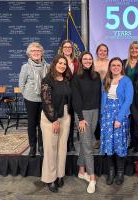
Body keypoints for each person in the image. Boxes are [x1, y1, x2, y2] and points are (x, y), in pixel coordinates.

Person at [40, 55, 73, 193]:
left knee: (62, 148)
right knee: (50, 149)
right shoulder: (47, 80)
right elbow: (46, 101)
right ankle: (50, 179)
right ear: (54, 64)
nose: (62, 65)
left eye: (64, 64)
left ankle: (60, 175)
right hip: (51, 117)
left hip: (65, 116)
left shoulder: (66, 80)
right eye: (60, 63)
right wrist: (54, 120)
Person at [100, 57, 133, 186]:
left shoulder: (126, 81)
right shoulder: (106, 80)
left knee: (119, 145)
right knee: (109, 145)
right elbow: (103, 99)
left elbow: (128, 101)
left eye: (118, 65)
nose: (115, 67)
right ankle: (111, 172)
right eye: (113, 65)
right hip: (107, 116)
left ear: (121, 67)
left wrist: (119, 119)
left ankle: (120, 172)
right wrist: (102, 116)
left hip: (120, 115)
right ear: (110, 67)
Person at [72, 51, 101, 194]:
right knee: (88, 145)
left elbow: (99, 96)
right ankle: (92, 177)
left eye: (90, 59)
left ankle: (81, 170)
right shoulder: (76, 77)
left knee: (86, 141)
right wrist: (81, 118)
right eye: (85, 59)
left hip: (95, 112)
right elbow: (75, 99)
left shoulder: (97, 76)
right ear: (81, 61)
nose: (88, 61)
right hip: (82, 114)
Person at [19, 42, 49, 157]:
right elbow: (21, 84)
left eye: (38, 51)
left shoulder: (48, 66)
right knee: (32, 124)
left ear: (42, 53)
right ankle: (32, 147)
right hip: (30, 99)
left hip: (44, 100)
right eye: (33, 51)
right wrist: (27, 95)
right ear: (29, 54)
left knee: (42, 124)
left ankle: (41, 146)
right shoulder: (25, 67)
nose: (36, 53)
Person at [123, 41, 138, 153]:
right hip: (126, 95)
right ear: (129, 50)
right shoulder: (124, 62)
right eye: (132, 48)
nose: (134, 50)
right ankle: (131, 142)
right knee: (128, 119)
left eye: (136, 48)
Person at [58, 40, 79, 152]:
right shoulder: (59, 60)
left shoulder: (76, 61)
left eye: (69, 47)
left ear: (72, 49)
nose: (67, 49)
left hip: (74, 93)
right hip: (63, 92)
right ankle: (63, 142)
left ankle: (70, 142)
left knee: (70, 118)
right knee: (63, 117)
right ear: (62, 48)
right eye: (65, 47)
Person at [93, 43, 110, 149]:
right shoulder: (92, 63)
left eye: (105, 51)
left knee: (106, 113)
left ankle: (107, 137)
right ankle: (98, 139)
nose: (102, 52)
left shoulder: (111, 63)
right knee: (97, 114)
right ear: (97, 52)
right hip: (94, 91)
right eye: (100, 50)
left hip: (107, 90)